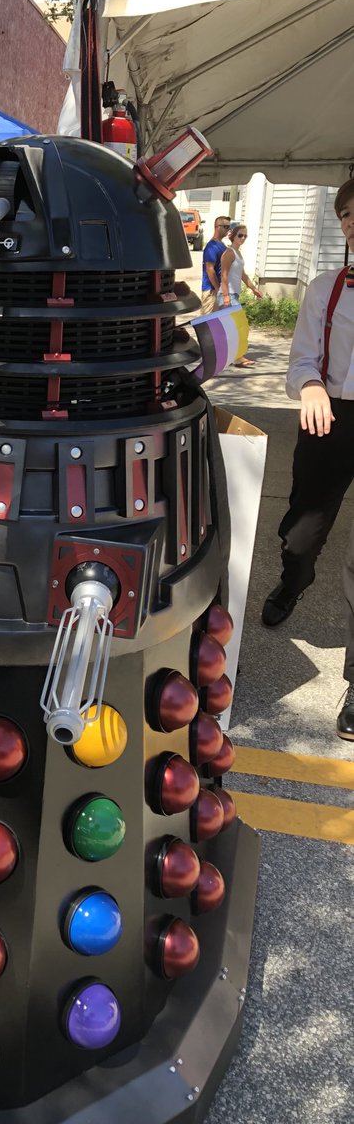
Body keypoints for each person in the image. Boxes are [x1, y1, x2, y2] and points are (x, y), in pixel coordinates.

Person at [260, 177, 354, 741]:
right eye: (347, 215)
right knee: (300, 535)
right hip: (330, 420)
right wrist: (311, 386)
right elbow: (301, 362)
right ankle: (295, 581)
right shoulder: (324, 288)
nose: (353, 223)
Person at [220, 221, 263, 367]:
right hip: (228, 295)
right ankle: (237, 357)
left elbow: (242, 275)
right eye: (240, 235)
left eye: (245, 236)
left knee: (236, 327)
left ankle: (233, 356)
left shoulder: (238, 253)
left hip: (234, 295)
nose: (243, 238)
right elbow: (224, 275)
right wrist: (225, 296)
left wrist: (253, 289)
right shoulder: (228, 253)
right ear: (233, 236)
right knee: (240, 326)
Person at [200, 214, 231, 315]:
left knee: (217, 325)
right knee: (207, 324)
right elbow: (210, 270)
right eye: (225, 227)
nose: (228, 230)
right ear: (217, 227)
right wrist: (218, 289)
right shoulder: (211, 247)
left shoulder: (222, 245)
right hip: (211, 291)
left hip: (219, 289)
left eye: (229, 227)